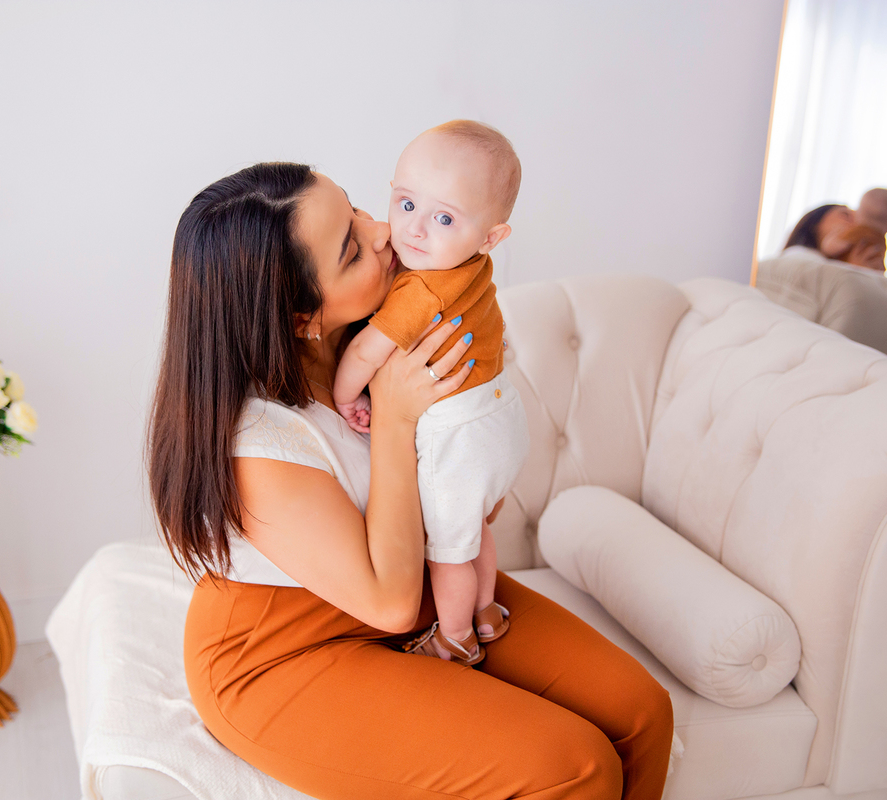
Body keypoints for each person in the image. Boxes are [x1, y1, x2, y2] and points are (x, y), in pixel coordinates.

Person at [149, 161, 674, 799]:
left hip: (422, 581)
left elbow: (479, 484)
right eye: (350, 249)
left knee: (643, 714)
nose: (380, 232)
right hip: (284, 651)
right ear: (300, 315)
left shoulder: (392, 327)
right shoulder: (257, 445)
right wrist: (395, 417)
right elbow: (390, 604)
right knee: (576, 768)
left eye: (356, 209)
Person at [332, 121, 530, 666]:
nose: (415, 229)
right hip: (501, 416)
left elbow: (366, 351)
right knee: (473, 533)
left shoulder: (421, 287)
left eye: (444, 218)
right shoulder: (473, 267)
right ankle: (487, 611)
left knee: (446, 552)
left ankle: (457, 637)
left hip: (459, 434)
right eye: (406, 204)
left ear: (491, 237)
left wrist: (347, 395)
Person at [820, 188, 887, 273]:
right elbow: (879, 268)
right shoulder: (880, 242)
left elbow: (830, 248)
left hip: (845, 273)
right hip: (859, 275)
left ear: (858, 212)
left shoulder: (855, 232)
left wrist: (833, 237)